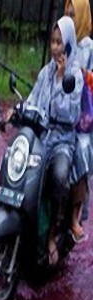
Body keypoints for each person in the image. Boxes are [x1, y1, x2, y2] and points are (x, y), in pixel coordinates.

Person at [17, 17, 83, 263]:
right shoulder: (46, 72)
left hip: (63, 142)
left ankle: (53, 233)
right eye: (53, 42)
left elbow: (71, 114)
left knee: (58, 176)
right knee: (22, 169)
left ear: (68, 44)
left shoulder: (73, 75)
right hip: (42, 137)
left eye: (60, 42)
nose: (55, 48)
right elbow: (34, 98)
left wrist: (63, 76)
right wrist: (19, 109)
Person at [67, 0, 91, 241]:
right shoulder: (63, 42)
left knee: (81, 150)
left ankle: (74, 214)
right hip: (62, 113)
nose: (70, 19)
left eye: (74, 15)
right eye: (67, 14)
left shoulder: (89, 48)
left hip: (82, 118)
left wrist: (88, 76)